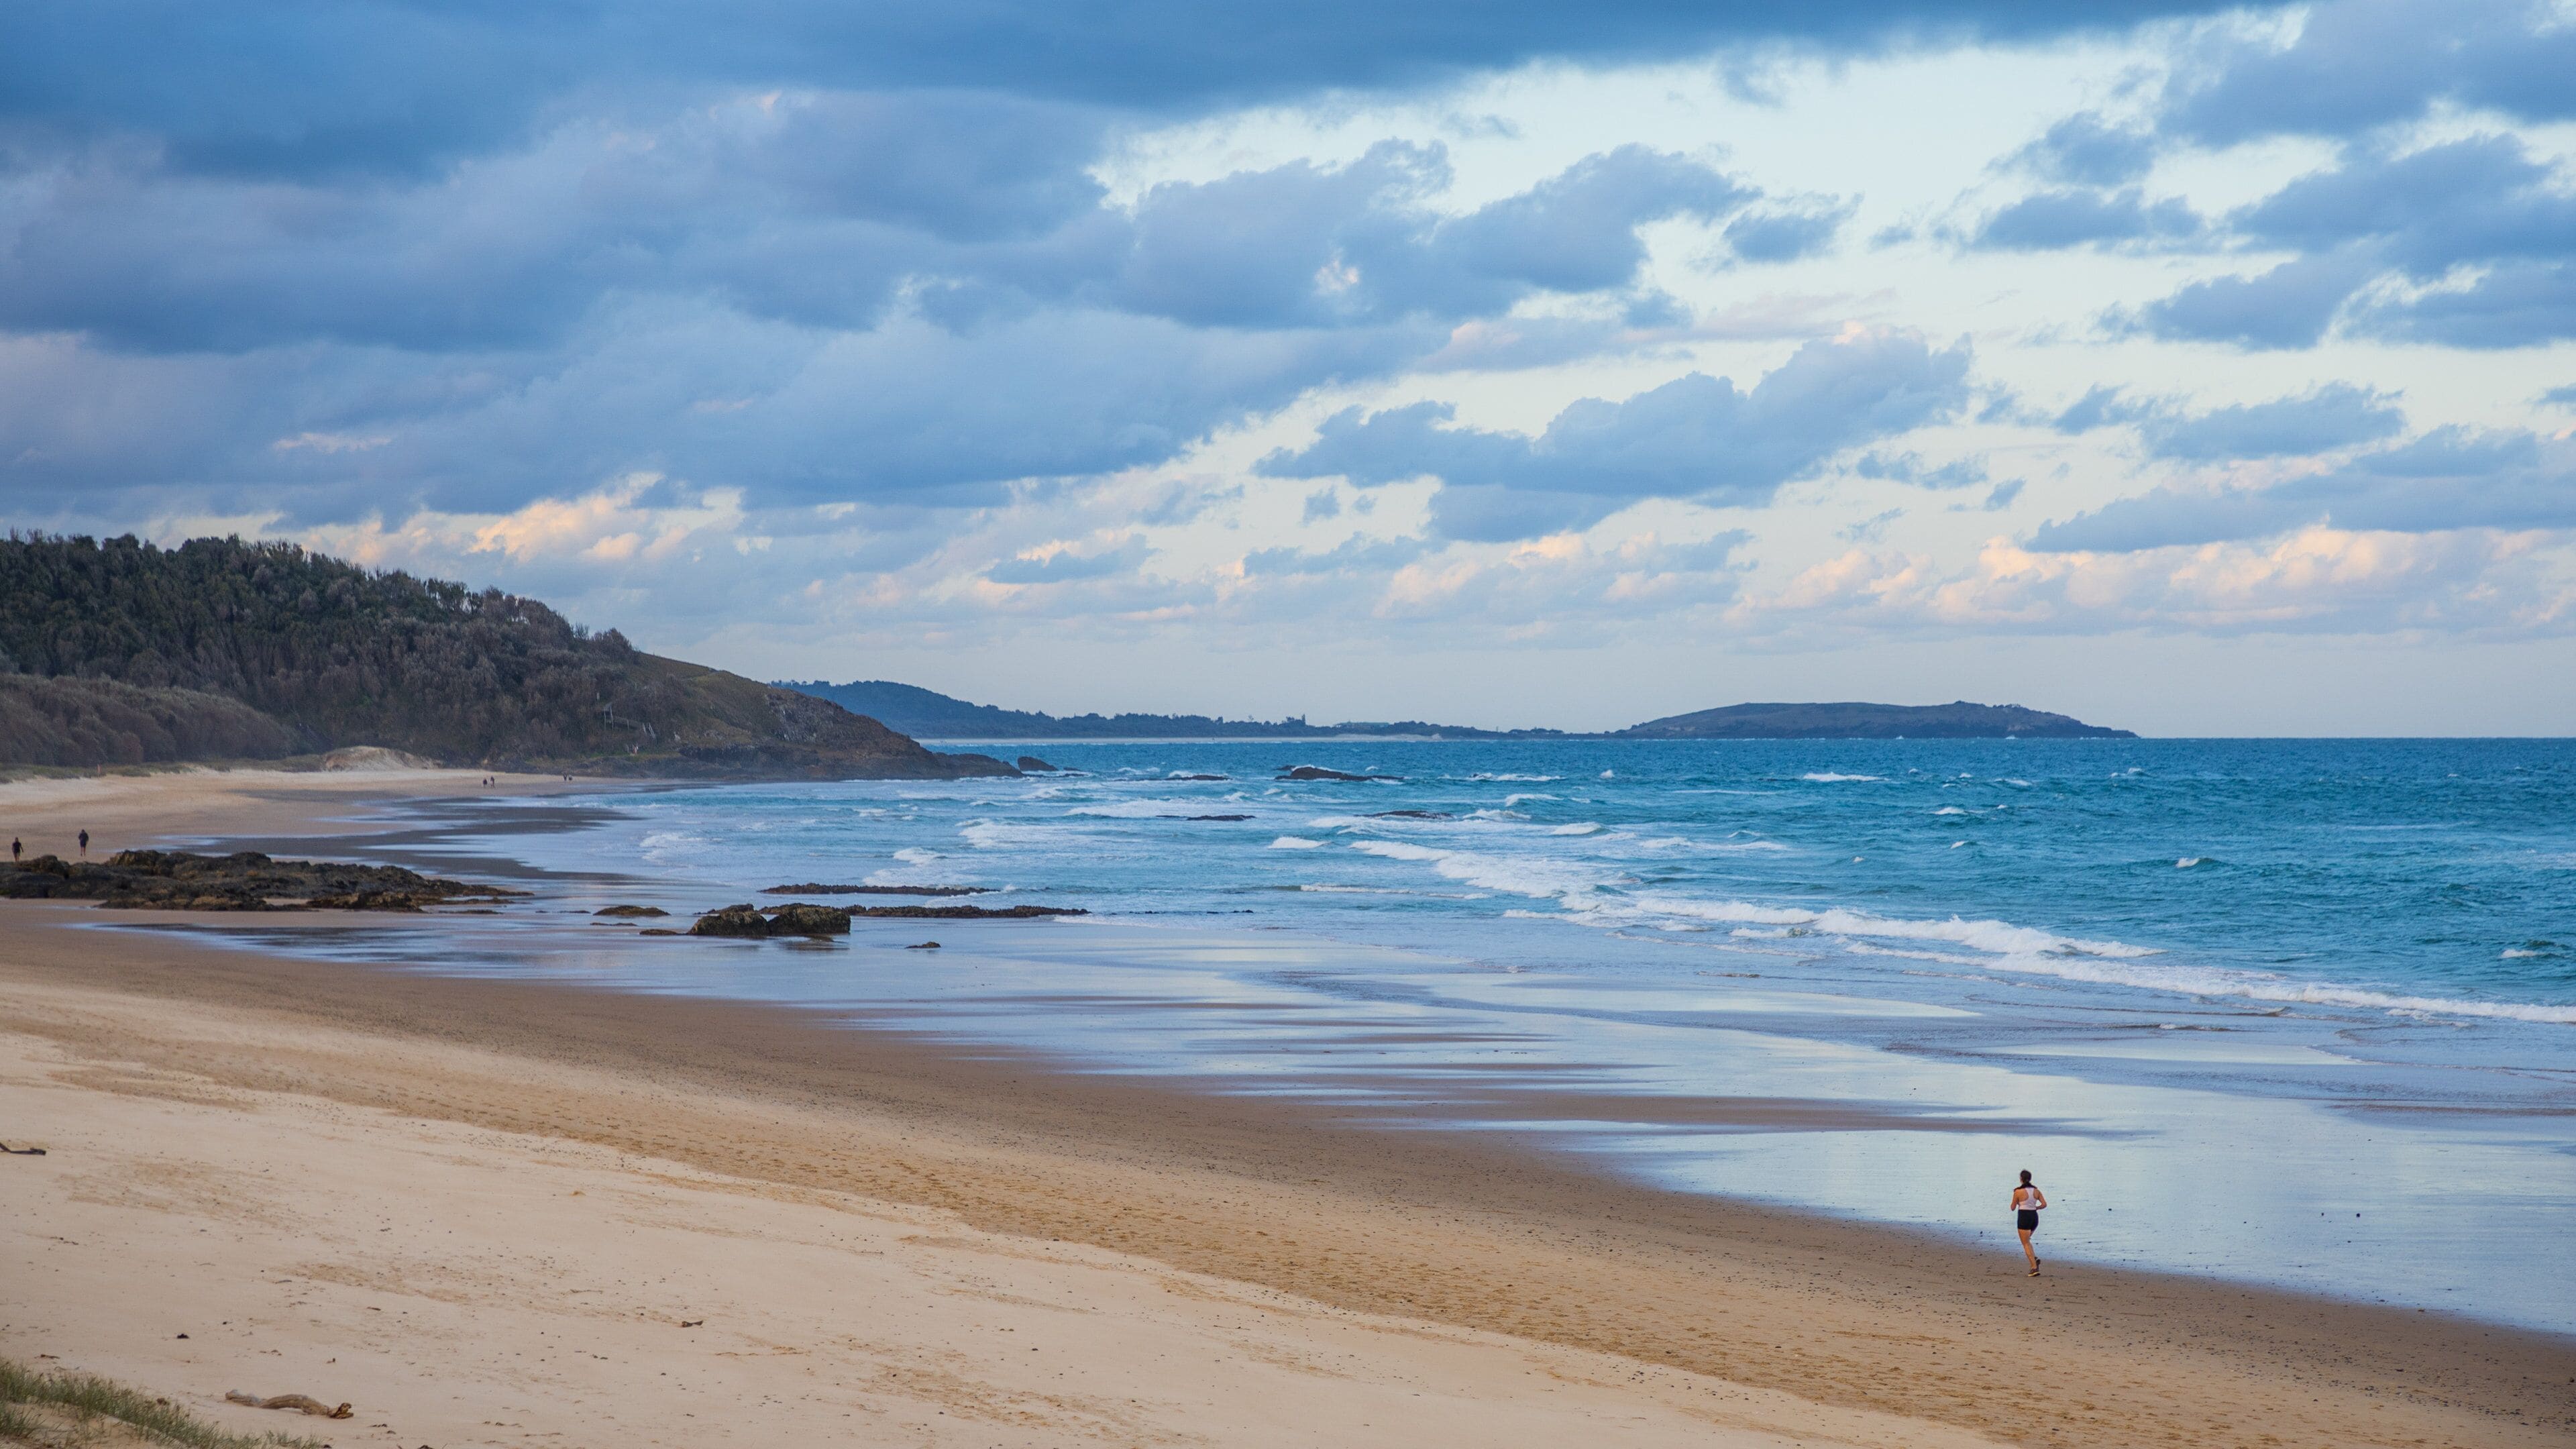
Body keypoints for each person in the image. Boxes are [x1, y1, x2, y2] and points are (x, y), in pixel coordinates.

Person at [2012, 1169, 2047, 1276]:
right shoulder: (2036, 1191)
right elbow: (2044, 1204)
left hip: (2024, 1216)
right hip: (2034, 1217)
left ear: (2021, 1179)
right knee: (2027, 1240)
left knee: (2025, 1243)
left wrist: (2019, 1203)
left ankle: (2034, 1268)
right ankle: (2034, 1259)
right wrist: (2036, 1208)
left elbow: (2012, 1207)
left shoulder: (2018, 1191)